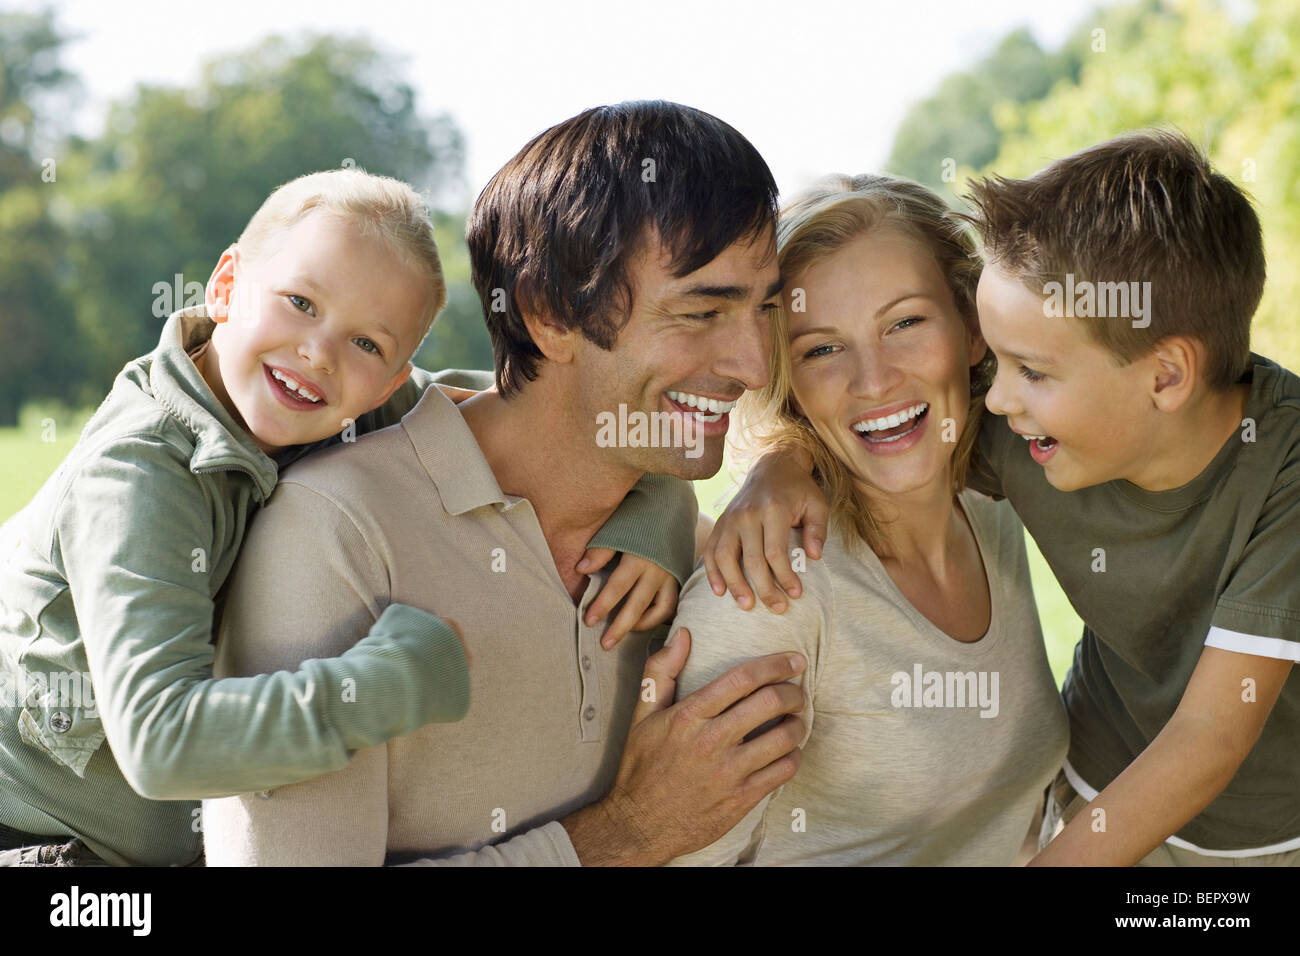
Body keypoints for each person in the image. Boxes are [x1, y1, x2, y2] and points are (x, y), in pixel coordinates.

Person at [0, 168, 689, 867]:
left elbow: (551, 417)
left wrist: (654, 508)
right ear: (227, 287)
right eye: (300, 302)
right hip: (40, 845)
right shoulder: (141, 475)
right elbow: (160, 743)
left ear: (392, 382)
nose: (319, 352)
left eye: (367, 344)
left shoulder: (341, 400)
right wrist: (387, 684)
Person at [201, 100, 807, 867]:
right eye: (699, 312)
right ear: (548, 312)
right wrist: (631, 834)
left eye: (766, 308)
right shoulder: (335, 534)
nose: (755, 366)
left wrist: (794, 462)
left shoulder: (690, 549)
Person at [702, 131, 1300, 866]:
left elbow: (1209, 735)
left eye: (907, 323)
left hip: (1262, 828)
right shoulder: (1018, 422)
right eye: (821, 347)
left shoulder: (1273, 470)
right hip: (1098, 792)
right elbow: (874, 422)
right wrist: (779, 461)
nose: (1001, 401)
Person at [663, 174, 1067, 866]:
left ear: (973, 329)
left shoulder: (992, 508)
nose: (873, 380)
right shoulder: (767, 589)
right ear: (785, 375)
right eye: (822, 349)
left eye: (905, 323)